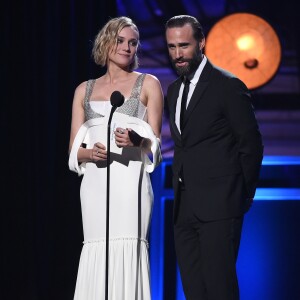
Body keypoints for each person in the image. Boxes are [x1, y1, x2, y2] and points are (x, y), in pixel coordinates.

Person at [164, 15, 264, 300]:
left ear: (202, 43)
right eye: (171, 47)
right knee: (194, 291)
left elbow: (251, 144)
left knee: (220, 289)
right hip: (184, 209)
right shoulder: (173, 90)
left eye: (184, 45)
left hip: (221, 206)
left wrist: (241, 195)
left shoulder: (227, 86)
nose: (177, 54)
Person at [68, 16, 163, 300]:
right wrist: (90, 152)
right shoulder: (83, 90)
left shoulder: (148, 83)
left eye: (133, 42)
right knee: (97, 247)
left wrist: (138, 140)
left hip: (130, 183)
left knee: (128, 247)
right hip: (96, 187)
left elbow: (156, 143)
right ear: (105, 42)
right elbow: (73, 151)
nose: (127, 47)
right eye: (120, 40)